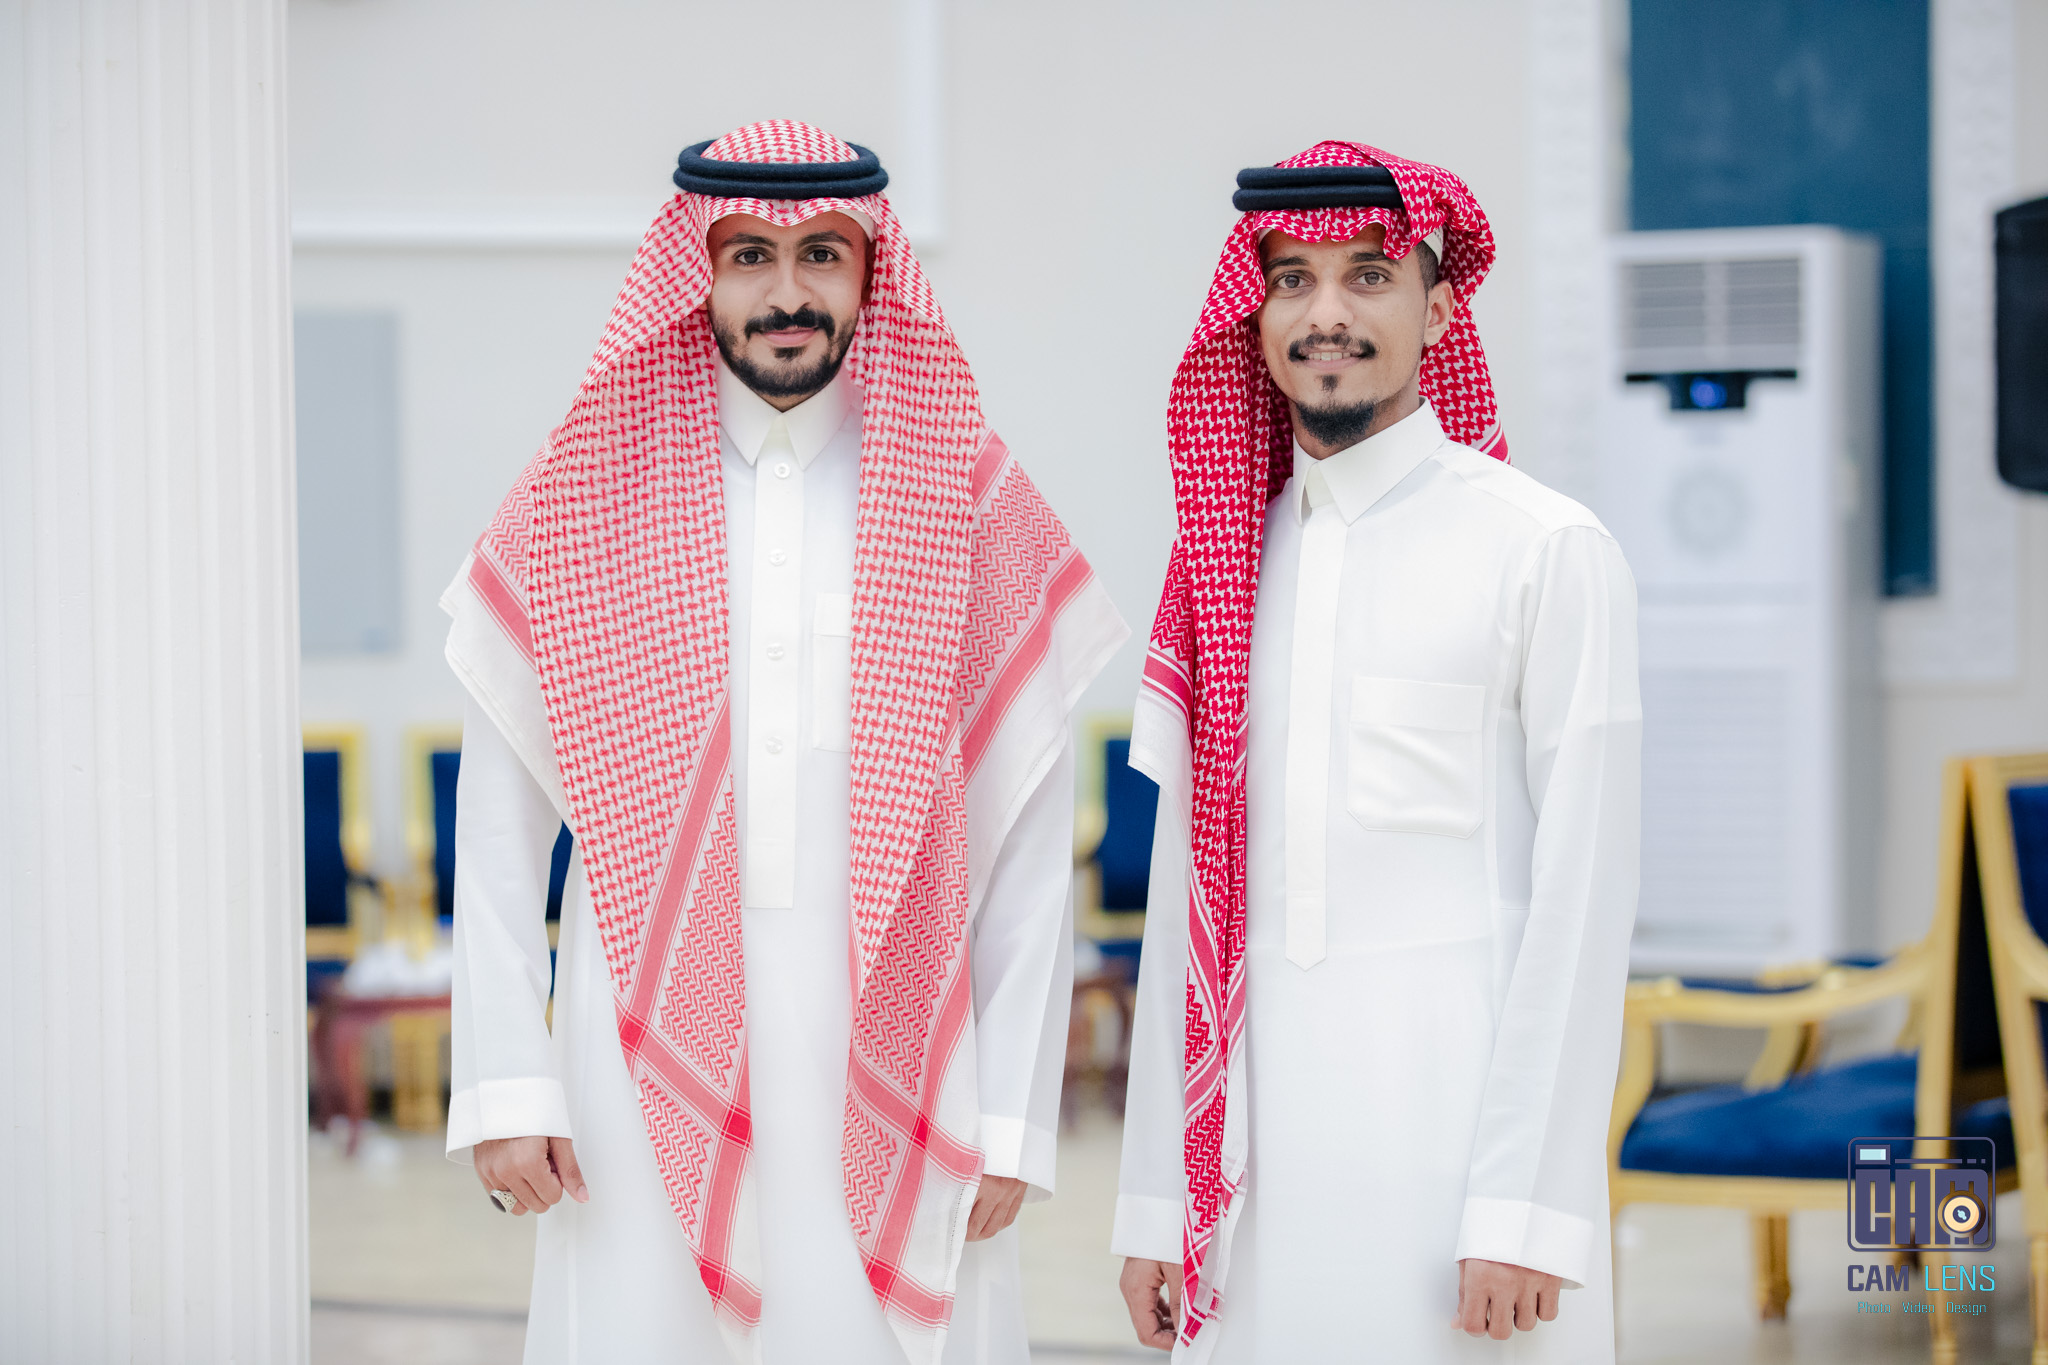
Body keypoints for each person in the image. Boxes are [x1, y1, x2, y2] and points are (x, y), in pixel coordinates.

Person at [441, 120, 1127, 1365]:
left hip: (908, 1046)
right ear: (695, 273)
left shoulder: (967, 495)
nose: (786, 291)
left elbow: (1030, 840)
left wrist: (1014, 1118)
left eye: (822, 253)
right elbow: (496, 827)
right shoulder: (583, 485)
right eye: (748, 254)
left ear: (871, 272)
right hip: (630, 1056)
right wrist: (506, 1082)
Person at [1112, 141, 1641, 1362]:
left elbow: (1583, 901)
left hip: (1457, 1163)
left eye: (1367, 276)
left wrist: (1524, 1207)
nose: (1325, 316)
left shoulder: (1544, 550)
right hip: (1253, 1170)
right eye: (1290, 281)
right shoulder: (1219, 574)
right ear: (1253, 317)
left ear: (1437, 309)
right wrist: (1152, 1201)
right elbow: (1183, 911)